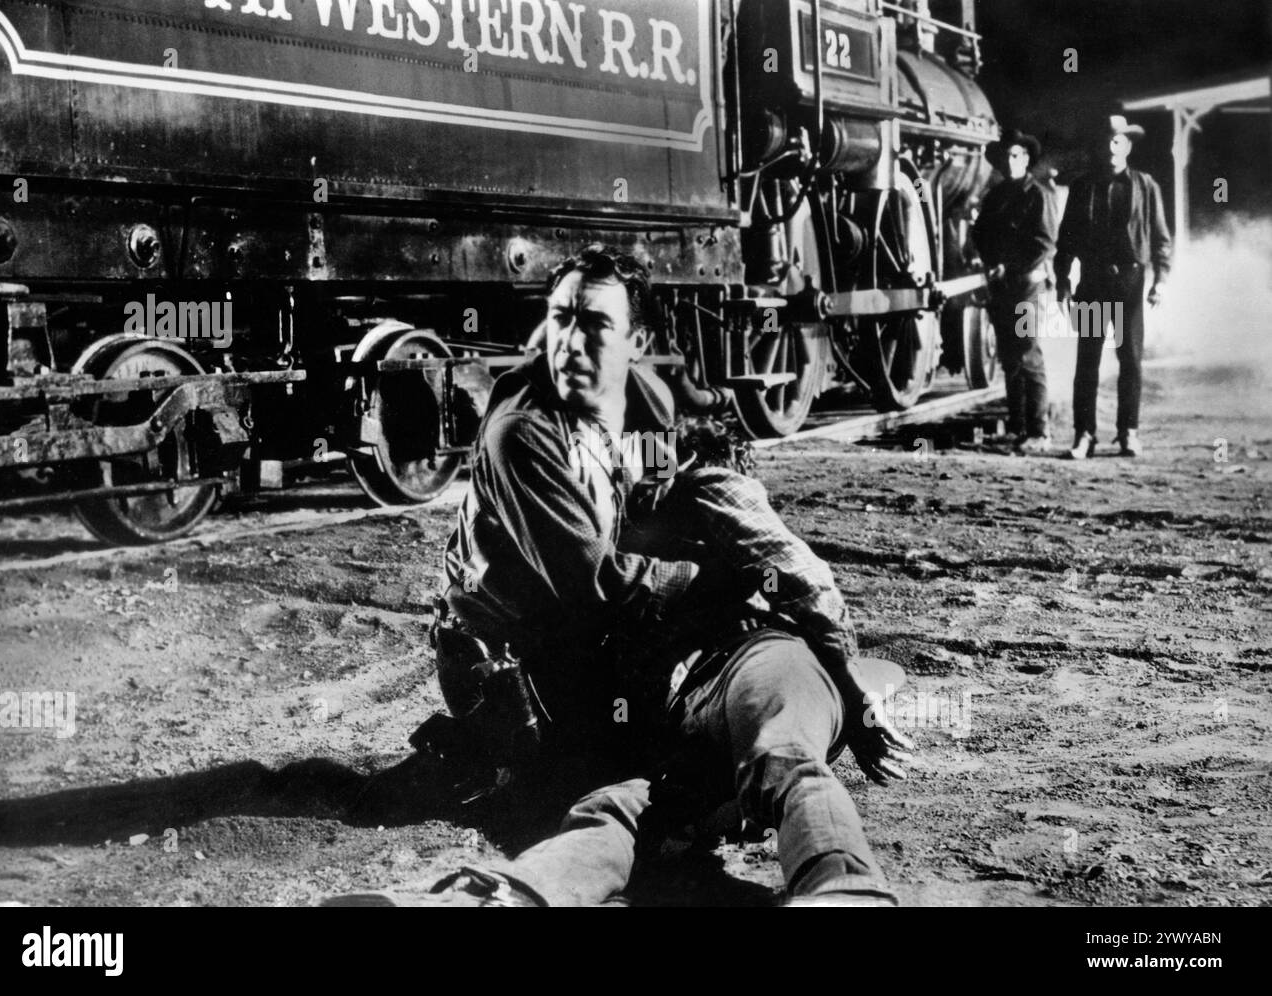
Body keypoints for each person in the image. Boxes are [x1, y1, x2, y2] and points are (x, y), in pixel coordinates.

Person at [329, 245, 909, 907]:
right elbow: (597, 584)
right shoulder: (524, 430)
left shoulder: (654, 410)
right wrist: (717, 581)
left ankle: (842, 888)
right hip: (537, 668)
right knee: (627, 793)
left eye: (593, 325)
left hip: (691, 659)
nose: (568, 342)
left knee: (719, 770)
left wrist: (842, 667)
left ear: (637, 341)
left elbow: (770, 553)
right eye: (559, 318)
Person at [1054, 114, 1173, 459]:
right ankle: (1084, 435)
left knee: (1131, 360)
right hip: (1091, 280)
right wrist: (1062, 280)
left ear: (1128, 146)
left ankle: (1128, 433)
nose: (1110, 148)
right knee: (1087, 359)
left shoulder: (1145, 186)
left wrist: (1161, 280)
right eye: (1105, 141)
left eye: (1117, 141)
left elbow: (1160, 238)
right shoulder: (1082, 186)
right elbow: (1066, 240)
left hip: (1130, 282)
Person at [972, 127, 1059, 454]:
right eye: (1005, 156)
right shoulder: (995, 197)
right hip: (1002, 286)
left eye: (1015, 156)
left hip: (1027, 286)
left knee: (1028, 353)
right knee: (1010, 357)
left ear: (1025, 158)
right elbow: (980, 233)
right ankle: (1018, 427)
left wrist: (1008, 265)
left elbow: (1044, 243)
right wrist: (991, 261)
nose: (1010, 162)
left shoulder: (1038, 194)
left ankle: (1039, 431)